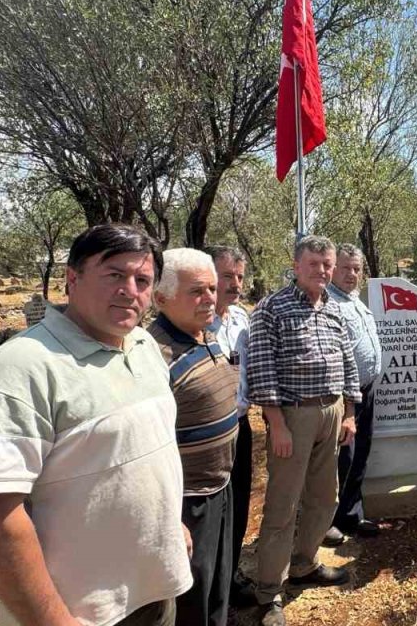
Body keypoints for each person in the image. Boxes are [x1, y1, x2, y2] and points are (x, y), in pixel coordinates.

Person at [0, 224, 190, 626]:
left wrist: (171, 523)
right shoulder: (17, 371)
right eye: (114, 274)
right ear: (72, 279)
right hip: (81, 612)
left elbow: (144, 453)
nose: (130, 289)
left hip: (154, 591)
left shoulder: (144, 345)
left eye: (142, 280)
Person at [246, 235, 360, 626]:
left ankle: (305, 563)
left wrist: (349, 411)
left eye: (327, 264)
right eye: (314, 264)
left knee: (324, 497)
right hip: (292, 418)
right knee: (283, 505)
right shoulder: (270, 309)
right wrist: (276, 423)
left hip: (331, 413)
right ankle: (269, 591)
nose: (323, 271)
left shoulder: (332, 307)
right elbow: (262, 371)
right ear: (296, 267)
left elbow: (347, 361)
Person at [148, 248, 241, 626]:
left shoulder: (206, 333)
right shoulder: (154, 355)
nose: (209, 299)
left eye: (212, 289)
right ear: (161, 297)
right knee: (192, 599)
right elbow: (150, 447)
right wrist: (171, 516)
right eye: (196, 291)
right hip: (188, 502)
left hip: (220, 487)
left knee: (218, 585)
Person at [205, 245, 257, 607]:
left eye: (239, 277)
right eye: (227, 276)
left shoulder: (241, 320)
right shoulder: (193, 321)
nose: (235, 284)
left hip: (240, 425)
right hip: (204, 437)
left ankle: (232, 571)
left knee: (238, 505)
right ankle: (206, 585)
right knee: (209, 513)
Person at [324, 244, 384, 544]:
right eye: (345, 268)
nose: (351, 274)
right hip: (343, 395)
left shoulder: (355, 301)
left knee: (360, 454)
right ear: (333, 269)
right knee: (340, 459)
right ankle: (326, 521)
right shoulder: (327, 303)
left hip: (367, 389)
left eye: (357, 269)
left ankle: (352, 515)